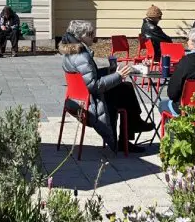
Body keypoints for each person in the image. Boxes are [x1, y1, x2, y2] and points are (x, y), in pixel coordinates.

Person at [59, 19, 152, 152]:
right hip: (90, 102)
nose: (93, 36)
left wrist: (110, 71)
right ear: (81, 36)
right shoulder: (81, 56)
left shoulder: (72, 51)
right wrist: (118, 76)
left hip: (77, 98)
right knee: (125, 90)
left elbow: (89, 77)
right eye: (90, 34)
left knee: (125, 88)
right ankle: (131, 130)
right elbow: (94, 86)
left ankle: (133, 127)